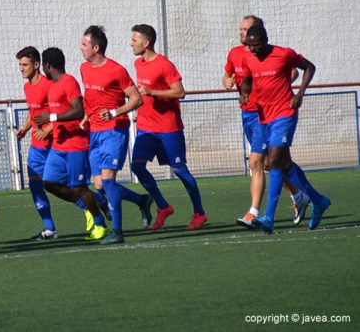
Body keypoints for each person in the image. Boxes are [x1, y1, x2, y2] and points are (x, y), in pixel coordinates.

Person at [240, 25, 331, 233]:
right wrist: (244, 93)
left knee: (273, 162)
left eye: (256, 45)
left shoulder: (283, 54)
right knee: (285, 163)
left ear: (265, 40)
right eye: (249, 45)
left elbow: (310, 67)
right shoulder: (248, 58)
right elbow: (246, 80)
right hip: (264, 116)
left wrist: (300, 94)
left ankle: (269, 217)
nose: (252, 49)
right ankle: (319, 200)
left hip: (284, 113)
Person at [223, 16, 309, 228]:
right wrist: (229, 82)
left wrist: (285, 89)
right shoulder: (237, 54)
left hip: (271, 112)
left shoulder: (276, 53)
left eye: (246, 29)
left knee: (257, 162)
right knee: (275, 163)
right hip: (251, 114)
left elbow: (293, 71)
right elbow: (232, 76)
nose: (242, 32)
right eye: (241, 29)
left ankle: (254, 213)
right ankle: (302, 196)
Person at [130, 24, 208, 231]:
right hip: (146, 128)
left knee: (179, 170)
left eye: (134, 40)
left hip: (168, 129)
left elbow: (179, 92)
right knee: (136, 166)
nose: (131, 43)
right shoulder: (138, 64)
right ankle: (163, 206)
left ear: (146, 43)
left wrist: (153, 92)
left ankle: (199, 212)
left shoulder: (164, 65)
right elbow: (143, 93)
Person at [79, 26, 152, 244]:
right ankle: (141, 200)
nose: (81, 48)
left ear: (96, 47)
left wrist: (114, 112)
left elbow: (136, 99)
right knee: (99, 184)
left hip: (114, 130)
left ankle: (118, 231)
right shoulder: (84, 68)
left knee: (108, 181)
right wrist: (85, 116)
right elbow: (89, 97)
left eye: (84, 44)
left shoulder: (116, 70)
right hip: (95, 132)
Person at [33, 47, 109, 241]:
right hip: (59, 145)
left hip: (76, 145)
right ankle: (96, 201)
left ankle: (100, 224)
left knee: (80, 188)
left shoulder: (69, 82)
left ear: (47, 65)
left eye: (43, 65)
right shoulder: (53, 85)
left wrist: (51, 117)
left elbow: (77, 110)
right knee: (49, 183)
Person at [15, 46, 58, 240]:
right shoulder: (27, 87)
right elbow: (33, 113)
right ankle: (49, 228)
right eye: (20, 65)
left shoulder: (49, 84)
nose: (21, 68)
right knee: (35, 185)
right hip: (36, 145)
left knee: (61, 184)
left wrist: (48, 129)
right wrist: (25, 128)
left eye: (25, 64)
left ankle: (95, 210)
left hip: (54, 144)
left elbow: (61, 110)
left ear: (37, 64)